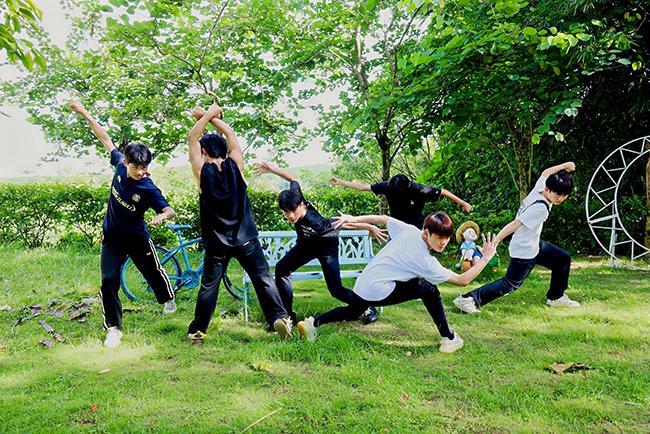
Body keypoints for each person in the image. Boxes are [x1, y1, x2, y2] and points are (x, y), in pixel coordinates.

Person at [295, 211, 498, 353]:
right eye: (439, 237)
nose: (443, 242)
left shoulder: (409, 230)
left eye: (446, 237)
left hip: (364, 283)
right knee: (428, 288)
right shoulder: (425, 260)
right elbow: (462, 280)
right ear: (426, 233)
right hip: (378, 289)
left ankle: (312, 323)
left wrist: (354, 218)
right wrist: (486, 258)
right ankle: (448, 338)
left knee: (353, 311)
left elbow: (383, 219)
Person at [69, 101, 177, 349]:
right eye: (137, 167)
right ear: (126, 162)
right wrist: (84, 112)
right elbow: (104, 138)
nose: (141, 171)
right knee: (109, 280)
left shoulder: (148, 188)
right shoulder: (118, 164)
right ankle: (114, 328)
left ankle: (168, 299)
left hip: (137, 239)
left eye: (145, 167)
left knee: (152, 272)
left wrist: (162, 217)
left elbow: (169, 210)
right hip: (112, 239)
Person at [186, 104, 292, 343]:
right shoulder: (236, 165)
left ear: (203, 151)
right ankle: (279, 317)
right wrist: (212, 115)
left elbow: (193, 137)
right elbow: (230, 133)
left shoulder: (201, 171)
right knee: (263, 278)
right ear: (225, 150)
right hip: (246, 239)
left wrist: (205, 116)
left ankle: (198, 330)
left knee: (209, 286)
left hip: (217, 244)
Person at [255, 161, 387, 326]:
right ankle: (287, 316)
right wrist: (272, 169)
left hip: (326, 247)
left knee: (336, 290)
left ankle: (367, 306)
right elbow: (293, 178)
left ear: (302, 205)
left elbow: (342, 223)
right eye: (286, 212)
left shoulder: (314, 220)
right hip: (306, 246)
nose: (290, 216)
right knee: (282, 268)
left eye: (293, 211)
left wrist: (369, 226)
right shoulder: (295, 196)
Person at [453, 162, 579, 314]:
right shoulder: (540, 209)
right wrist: (495, 242)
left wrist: (566, 165)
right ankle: (469, 299)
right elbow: (515, 224)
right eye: (558, 194)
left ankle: (556, 297)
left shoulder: (539, 189)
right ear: (548, 189)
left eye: (565, 195)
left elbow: (545, 172)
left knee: (562, 258)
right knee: (510, 284)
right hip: (525, 249)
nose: (561, 198)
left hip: (534, 244)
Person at [329, 174, 472, 229]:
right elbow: (362, 187)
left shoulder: (419, 189)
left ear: (407, 187)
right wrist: (340, 181)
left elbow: (443, 191)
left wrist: (463, 203)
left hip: (416, 227)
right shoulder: (388, 186)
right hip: (395, 225)